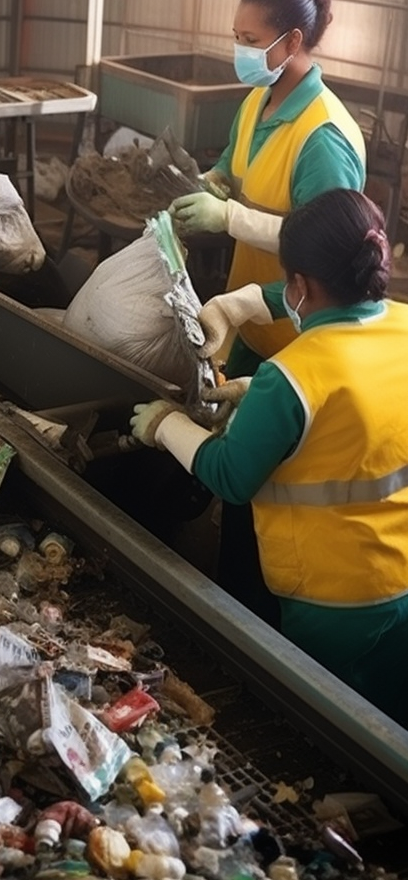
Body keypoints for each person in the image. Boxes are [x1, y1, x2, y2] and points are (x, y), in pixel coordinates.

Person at [130, 190, 408, 728]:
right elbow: (362, 413)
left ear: (300, 286)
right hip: (400, 582)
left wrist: (167, 426)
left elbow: (231, 476)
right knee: (391, 734)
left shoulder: (294, 373)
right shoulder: (402, 326)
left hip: (331, 601)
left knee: (332, 736)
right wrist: (257, 389)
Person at [169, 0, 366, 377]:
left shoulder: (323, 139)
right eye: (236, 38)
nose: (240, 51)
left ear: (292, 42)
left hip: (299, 341)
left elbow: (327, 249)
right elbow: (234, 159)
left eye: (252, 41)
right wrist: (216, 179)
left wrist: (227, 217)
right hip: (253, 321)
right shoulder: (259, 100)